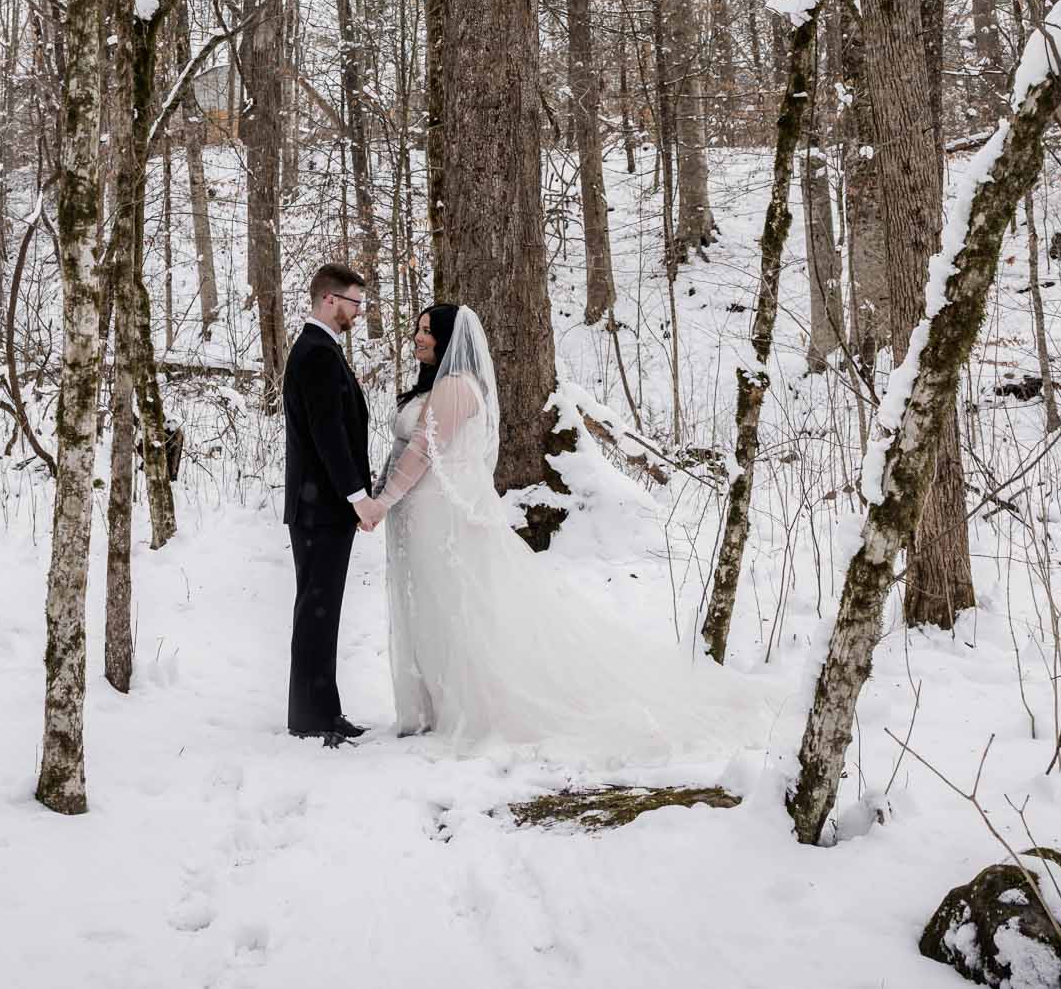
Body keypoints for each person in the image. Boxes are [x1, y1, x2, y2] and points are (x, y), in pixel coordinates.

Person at [370, 302, 780, 761]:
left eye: (427, 331)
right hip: (426, 514)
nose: (418, 338)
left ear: (448, 340)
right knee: (434, 606)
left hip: (444, 517)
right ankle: (439, 706)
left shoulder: (456, 387)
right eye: (418, 330)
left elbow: (426, 450)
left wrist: (382, 502)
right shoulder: (441, 387)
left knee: (456, 607)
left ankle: (470, 709)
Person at [280, 262, 374, 746]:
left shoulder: (321, 351)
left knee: (320, 610)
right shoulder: (316, 354)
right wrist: (357, 497)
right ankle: (311, 718)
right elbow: (328, 435)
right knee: (317, 610)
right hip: (320, 508)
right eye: (355, 303)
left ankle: (320, 711)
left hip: (321, 506)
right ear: (330, 300)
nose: (358, 312)